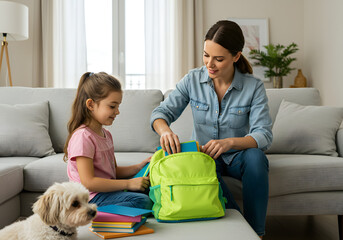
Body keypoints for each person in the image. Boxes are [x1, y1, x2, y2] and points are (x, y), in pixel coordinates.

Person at [150, 20, 272, 238]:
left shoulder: (254, 87)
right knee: (201, 166)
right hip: (204, 155)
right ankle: (240, 230)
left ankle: (256, 233)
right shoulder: (192, 80)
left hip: (239, 156)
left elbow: (263, 134)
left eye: (219, 59)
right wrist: (165, 131)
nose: (210, 64)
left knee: (256, 159)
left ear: (236, 56)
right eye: (206, 55)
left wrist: (230, 142)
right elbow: (160, 114)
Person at [63, 72, 152, 209]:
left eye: (118, 106)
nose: (117, 112)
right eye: (112, 106)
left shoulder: (106, 135)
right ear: (91, 104)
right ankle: (93, 215)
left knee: (148, 188)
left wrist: (140, 166)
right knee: (143, 201)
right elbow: (88, 182)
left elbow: (113, 171)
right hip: (90, 197)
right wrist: (128, 184)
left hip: (106, 192)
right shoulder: (83, 137)